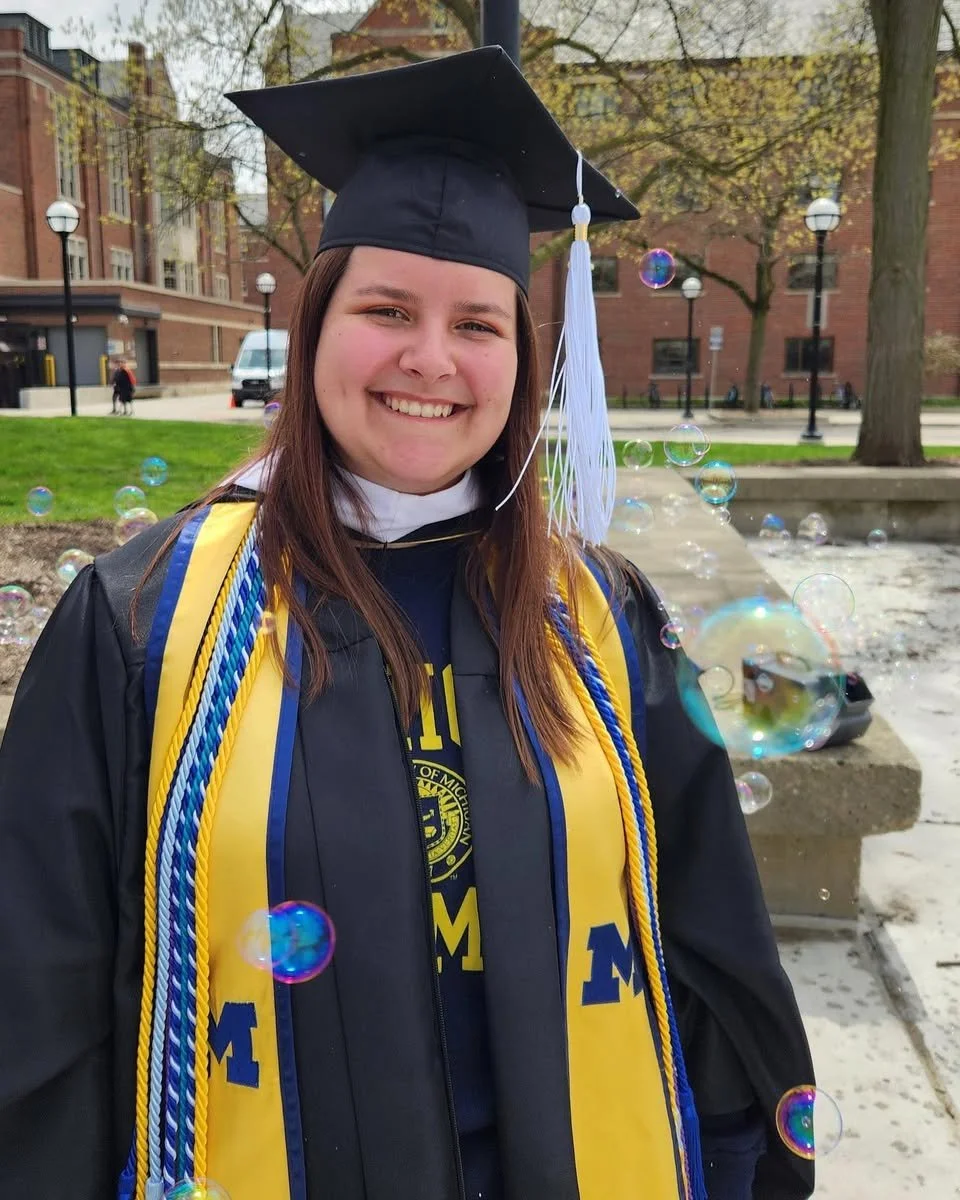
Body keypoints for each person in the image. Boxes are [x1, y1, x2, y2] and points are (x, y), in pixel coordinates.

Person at [0, 49, 814, 1200]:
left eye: (478, 323)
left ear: (523, 359)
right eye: (386, 309)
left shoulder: (602, 616)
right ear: (316, 331)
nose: (431, 359)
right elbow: (40, 994)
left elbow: (710, 943)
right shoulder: (146, 618)